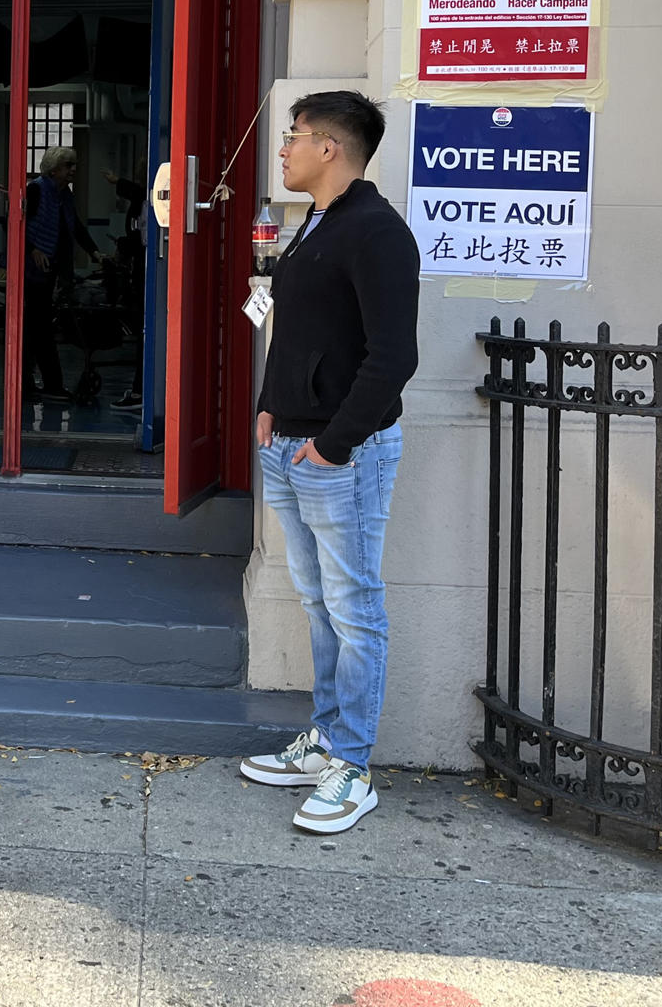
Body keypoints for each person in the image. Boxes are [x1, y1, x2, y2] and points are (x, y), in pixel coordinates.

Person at [237, 90, 419, 835]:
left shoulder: (376, 233)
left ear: (331, 149)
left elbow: (393, 358)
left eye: (295, 136)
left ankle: (353, 765)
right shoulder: (315, 226)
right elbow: (298, 330)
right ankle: (326, 739)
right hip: (292, 446)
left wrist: (334, 445)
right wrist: (272, 406)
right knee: (318, 603)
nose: (283, 149)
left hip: (343, 455)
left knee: (354, 608)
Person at [22, 147, 100, 403]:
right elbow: (18, 225)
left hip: (51, 268)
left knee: (40, 327)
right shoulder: (35, 189)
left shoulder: (63, 195)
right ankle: (46, 383)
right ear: (54, 169)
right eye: (69, 165)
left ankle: (41, 383)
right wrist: (32, 249)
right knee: (38, 327)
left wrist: (94, 252)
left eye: (74, 164)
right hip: (31, 269)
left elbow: (73, 226)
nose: (73, 170)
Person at [104, 168, 148, 411]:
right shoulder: (141, 200)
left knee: (147, 331)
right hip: (140, 269)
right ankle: (142, 388)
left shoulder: (147, 197)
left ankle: (142, 390)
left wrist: (117, 180)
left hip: (146, 271)